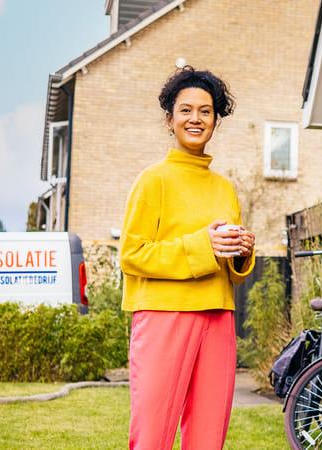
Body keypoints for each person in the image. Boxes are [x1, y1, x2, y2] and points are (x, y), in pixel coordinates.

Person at [119, 67, 256, 450]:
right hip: (164, 316)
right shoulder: (153, 180)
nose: (195, 119)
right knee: (153, 433)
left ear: (215, 120)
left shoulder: (225, 187)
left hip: (217, 317)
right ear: (170, 119)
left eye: (206, 111)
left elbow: (229, 269)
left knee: (209, 436)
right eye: (186, 110)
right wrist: (204, 247)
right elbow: (132, 254)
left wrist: (242, 253)